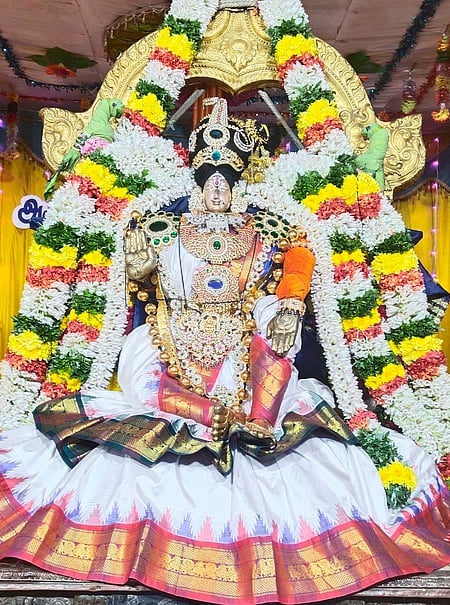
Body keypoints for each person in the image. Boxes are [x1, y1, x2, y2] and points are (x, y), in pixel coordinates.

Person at [0, 100, 448, 605]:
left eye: (225, 180)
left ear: (237, 184)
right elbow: (147, 286)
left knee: (277, 339)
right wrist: (140, 267)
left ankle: (254, 422)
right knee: (143, 366)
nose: (217, 188)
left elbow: (290, 268)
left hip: (238, 343)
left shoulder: (263, 234)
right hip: (174, 340)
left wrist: (287, 305)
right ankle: (206, 414)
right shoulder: (166, 230)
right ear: (197, 182)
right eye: (209, 179)